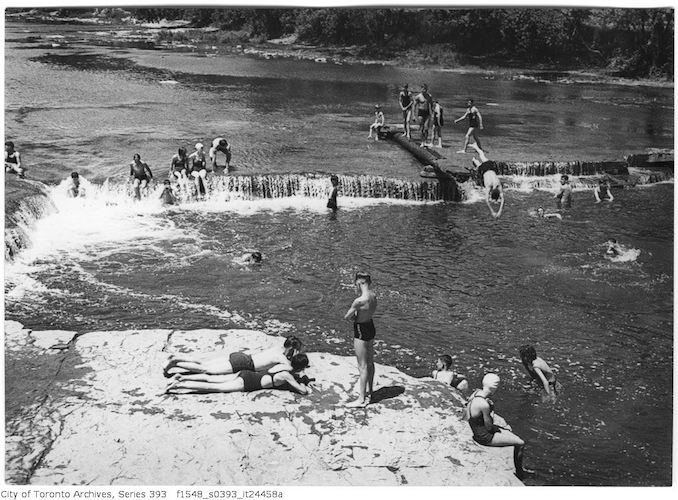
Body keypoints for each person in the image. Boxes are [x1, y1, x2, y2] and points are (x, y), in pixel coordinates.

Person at [467, 373, 532, 479]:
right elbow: (489, 427)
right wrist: (491, 410)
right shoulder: (484, 404)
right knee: (520, 443)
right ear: (495, 387)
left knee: (508, 432)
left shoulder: (476, 393)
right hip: (484, 437)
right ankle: (520, 474)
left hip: (476, 430)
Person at [165, 353, 312, 395]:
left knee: (211, 379)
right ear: (301, 368)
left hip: (246, 373)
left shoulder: (282, 364)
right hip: (249, 383)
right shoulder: (288, 376)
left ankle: (183, 377)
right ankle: (180, 385)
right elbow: (303, 391)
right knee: (217, 388)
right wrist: (302, 380)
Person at [163, 335, 303, 377]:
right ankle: (177, 363)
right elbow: (290, 369)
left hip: (240, 356)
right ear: (291, 348)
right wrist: (296, 358)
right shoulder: (281, 358)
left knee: (203, 362)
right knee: (207, 370)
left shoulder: (276, 346)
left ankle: (178, 358)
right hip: (243, 364)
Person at [343, 272, 377, 408]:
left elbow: (347, 316)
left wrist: (354, 316)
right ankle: (370, 391)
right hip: (370, 325)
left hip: (361, 329)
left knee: (362, 366)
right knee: (370, 362)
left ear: (359, 283)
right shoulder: (373, 295)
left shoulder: (359, 300)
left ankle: (361, 399)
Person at [470, 143, 504, 218]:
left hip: (490, 167)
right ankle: (474, 159)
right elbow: (487, 200)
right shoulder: (492, 186)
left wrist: (497, 211)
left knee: (482, 156)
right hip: (484, 170)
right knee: (478, 164)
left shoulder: (498, 185)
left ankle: (476, 147)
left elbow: (502, 199)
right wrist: (495, 212)